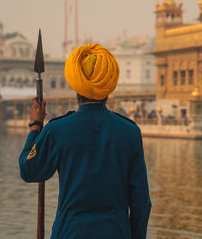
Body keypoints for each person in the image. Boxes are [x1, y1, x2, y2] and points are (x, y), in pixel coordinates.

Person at [19, 44, 151, 239]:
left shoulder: (57, 130)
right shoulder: (130, 132)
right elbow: (141, 201)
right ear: (108, 88)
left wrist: (35, 127)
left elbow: (29, 170)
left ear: (76, 87)